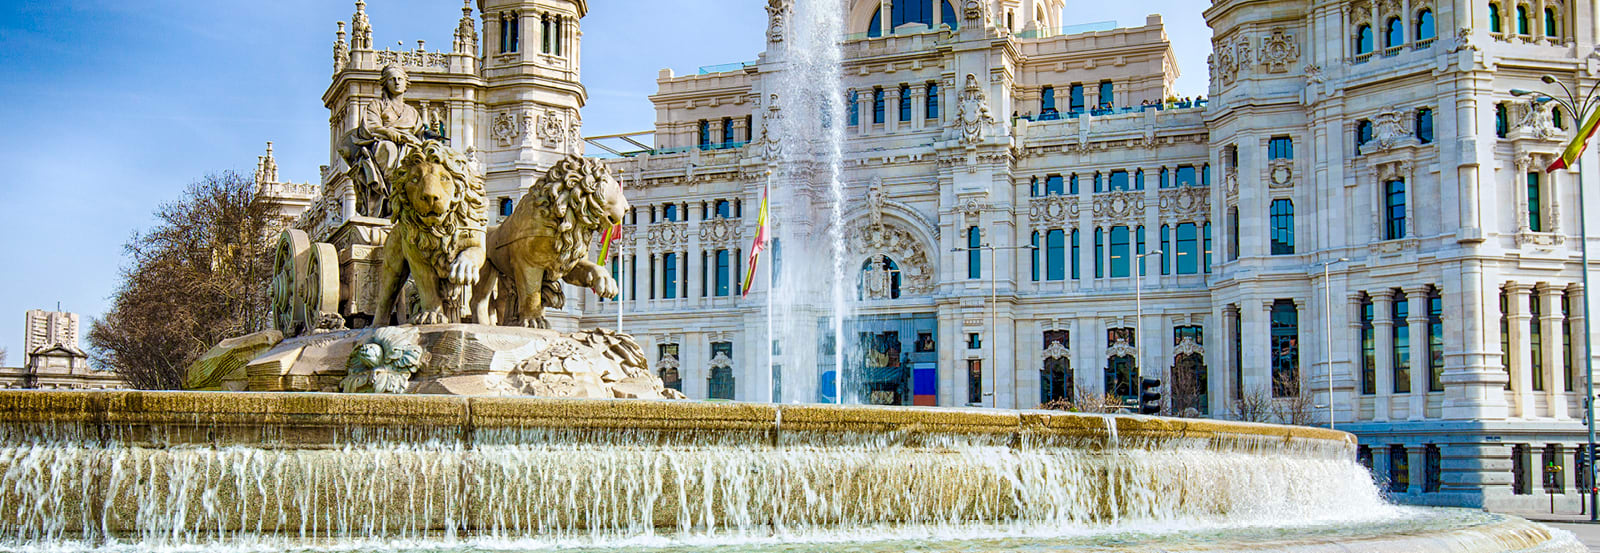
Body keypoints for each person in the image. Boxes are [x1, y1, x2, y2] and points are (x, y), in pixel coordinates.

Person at [339, 64, 425, 218]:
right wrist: (388, 132)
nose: (397, 82)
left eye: (400, 79)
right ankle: (394, 198)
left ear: (406, 84)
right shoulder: (376, 105)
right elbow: (370, 127)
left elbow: (419, 134)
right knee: (389, 150)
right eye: (392, 79)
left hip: (409, 145)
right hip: (382, 143)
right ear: (386, 83)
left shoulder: (412, 112)